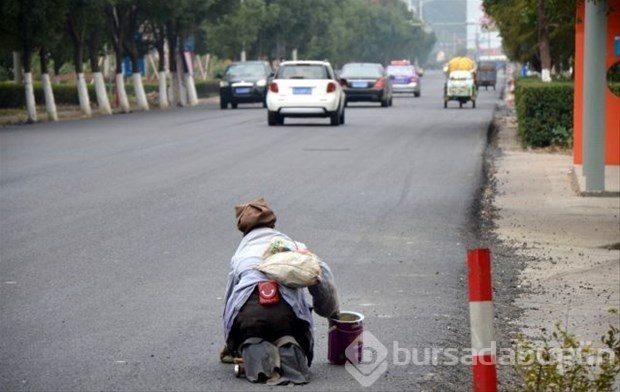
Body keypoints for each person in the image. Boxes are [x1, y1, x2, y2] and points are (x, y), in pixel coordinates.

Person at [221, 197, 339, 385]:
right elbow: (321, 275)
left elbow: (230, 301)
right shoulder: (295, 247)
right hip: (289, 315)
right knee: (290, 330)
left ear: (243, 230)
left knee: (250, 330)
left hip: (249, 314)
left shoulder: (241, 256)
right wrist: (331, 312)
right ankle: (289, 343)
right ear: (272, 224)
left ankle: (252, 342)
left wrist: (230, 341)